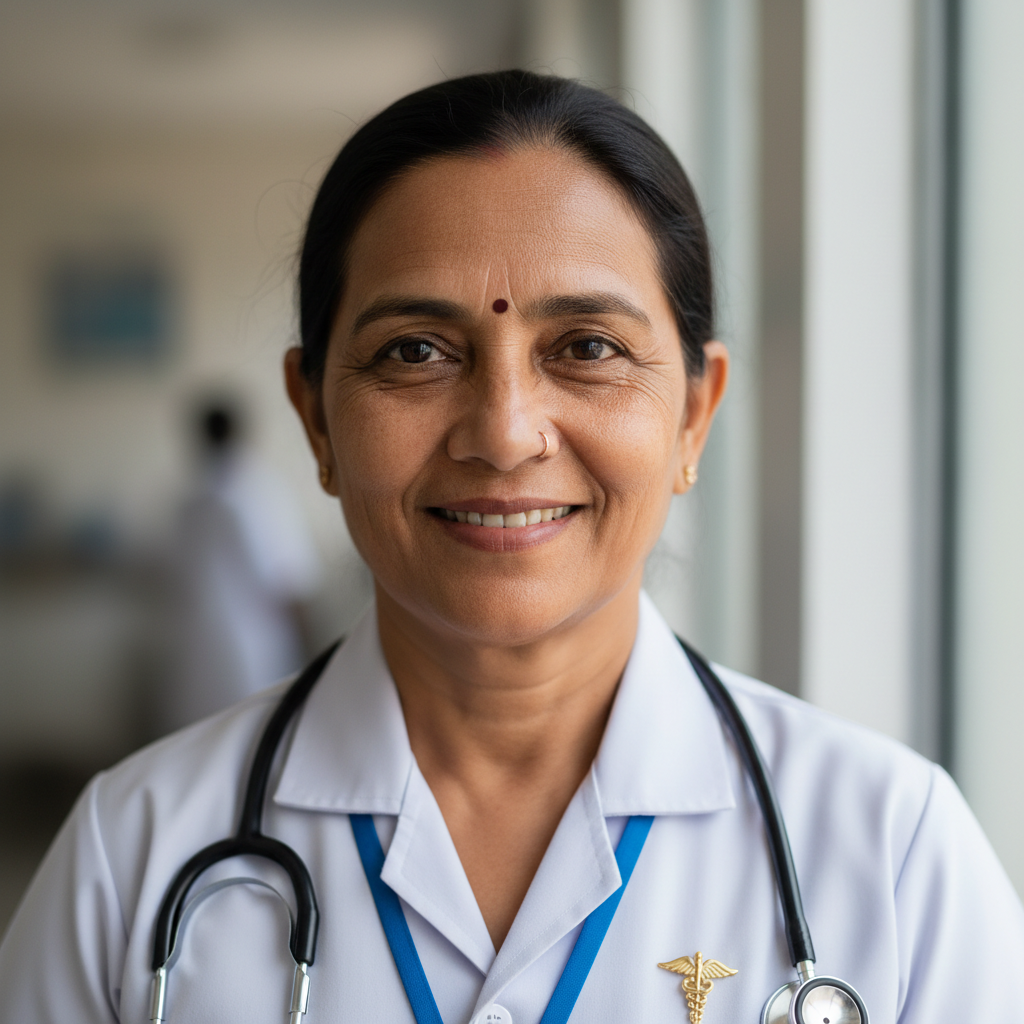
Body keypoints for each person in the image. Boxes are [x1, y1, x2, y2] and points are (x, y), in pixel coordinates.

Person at [1, 70, 1021, 1024]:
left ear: (693, 418)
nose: (502, 430)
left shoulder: (891, 852)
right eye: (415, 351)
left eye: (587, 348)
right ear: (316, 419)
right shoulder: (129, 854)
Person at [158, 399, 320, 732]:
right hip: (253, 652)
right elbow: (289, 580)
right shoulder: (261, 492)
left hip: (197, 649)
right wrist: (314, 649)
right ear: (241, 432)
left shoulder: (188, 501)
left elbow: (170, 575)